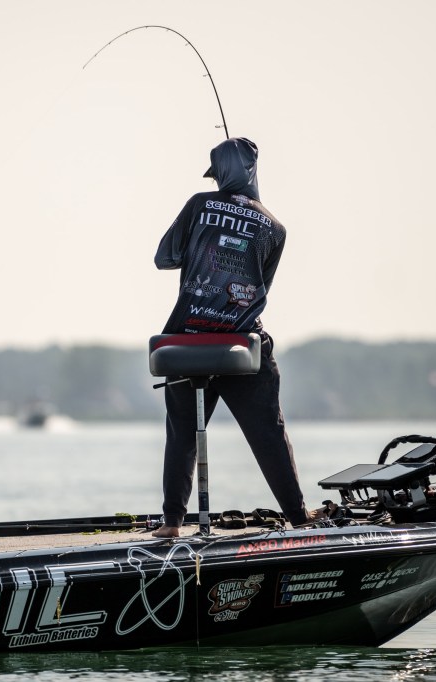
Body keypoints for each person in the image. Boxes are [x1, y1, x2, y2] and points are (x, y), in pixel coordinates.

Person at [152, 138, 312, 538]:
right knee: (270, 434)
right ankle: (299, 519)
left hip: (187, 341)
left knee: (182, 434)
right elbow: (261, 287)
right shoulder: (276, 228)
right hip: (242, 345)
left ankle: (172, 523)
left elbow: (163, 259)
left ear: (220, 173)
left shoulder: (198, 205)